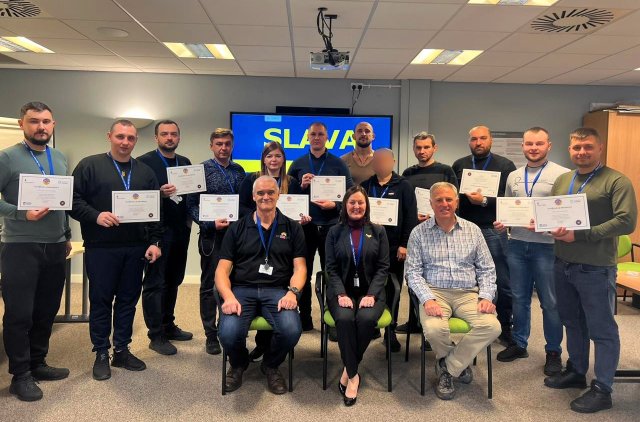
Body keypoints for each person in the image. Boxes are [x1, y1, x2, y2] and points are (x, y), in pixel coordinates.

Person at [543, 128, 637, 414]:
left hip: (595, 268)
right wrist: (543, 224)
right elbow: (553, 215)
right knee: (572, 322)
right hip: (562, 263)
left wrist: (582, 234)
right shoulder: (564, 180)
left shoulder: (616, 181)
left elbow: (626, 221)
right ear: (569, 149)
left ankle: (603, 389)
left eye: (587, 147)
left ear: (599, 148)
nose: (581, 152)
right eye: (576, 147)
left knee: (602, 329)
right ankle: (577, 370)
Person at [70, 119, 162, 381]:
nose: (125, 142)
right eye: (120, 136)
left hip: (136, 248)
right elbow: (72, 200)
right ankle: (101, 351)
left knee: (127, 301)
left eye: (130, 138)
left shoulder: (145, 172)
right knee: (101, 300)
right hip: (101, 247)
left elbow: (156, 210)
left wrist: (155, 242)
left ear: (136, 140)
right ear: (109, 136)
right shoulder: (89, 166)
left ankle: (121, 349)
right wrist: (96, 216)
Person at [0, 102, 71, 401]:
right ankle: (20, 375)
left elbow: (62, 201)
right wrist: (20, 213)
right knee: (20, 313)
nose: (41, 127)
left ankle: (37, 362)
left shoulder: (59, 157)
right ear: (22, 124)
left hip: (55, 246)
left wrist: (66, 234)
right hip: (20, 246)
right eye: (34, 121)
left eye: (46, 121)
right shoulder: (7, 157)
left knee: (46, 310)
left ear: (53, 124)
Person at [406, 182, 501, 401]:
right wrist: (427, 299)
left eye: (449, 199)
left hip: (468, 293)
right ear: (431, 204)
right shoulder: (418, 233)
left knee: (492, 326)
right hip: (435, 293)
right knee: (434, 329)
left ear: (456, 202)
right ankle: (459, 364)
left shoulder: (473, 230)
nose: (444, 204)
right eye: (439, 200)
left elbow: (487, 268)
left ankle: (448, 367)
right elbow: (412, 272)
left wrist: (486, 296)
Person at [216, 176, 306, 394]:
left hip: (277, 290)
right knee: (228, 333)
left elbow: (300, 268)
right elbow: (221, 270)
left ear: (278, 195)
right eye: (261, 193)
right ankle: (239, 364)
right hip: (242, 290)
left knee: (291, 330)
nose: (266, 196)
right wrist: (228, 296)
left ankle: (271, 364)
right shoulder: (237, 228)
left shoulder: (292, 228)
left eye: (271, 192)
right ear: (253, 196)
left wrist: (292, 293)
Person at [494, 127, 569, 376]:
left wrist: (545, 226)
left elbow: (564, 213)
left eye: (539, 143)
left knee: (550, 302)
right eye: (529, 144)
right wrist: (503, 222)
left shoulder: (562, 175)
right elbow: (507, 206)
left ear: (549, 145)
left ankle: (553, 351)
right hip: (516, 244)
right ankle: (519, 343)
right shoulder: (514, 176)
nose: (533, 148)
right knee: (519, 298)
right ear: (523, 146)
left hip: (547, 247)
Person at [325, 185, 390, 406]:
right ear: (345, 205)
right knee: (344, 319)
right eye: (352, 202)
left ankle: (348, 371)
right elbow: (331, 268)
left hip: (371, 292)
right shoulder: (334, 232)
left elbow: (383, 267)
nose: (356, 206)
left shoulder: (378, 231)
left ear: (366, 205)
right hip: (341, 291)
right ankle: (354, 377)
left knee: (366, 318)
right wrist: (341, 293)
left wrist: (371, 294)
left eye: (360, 202)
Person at [452, 125, 516, 344]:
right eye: (474, 139)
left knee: (501, 279)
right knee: (464, 277)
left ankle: (505, 326)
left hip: (492, 230)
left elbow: (509, 200)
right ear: (469, 141)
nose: (478, 142)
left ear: (491, 140)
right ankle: (471, 319)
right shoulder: (459, 165)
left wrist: (485, 201)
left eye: (482, 138)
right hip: (463, 230)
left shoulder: (505, 165)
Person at [288, 122, 354, 331]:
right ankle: (304, 317)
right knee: (303, 273)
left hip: (332, 227)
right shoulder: (297, 164)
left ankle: (332, 317)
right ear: (308, 137)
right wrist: (301, 186)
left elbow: (350, 196)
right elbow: (288, 197)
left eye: (320, 134)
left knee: (331, 274)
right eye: (313, 134)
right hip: (304, 228)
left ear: (327, 138)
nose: (316, 138)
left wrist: (335, 205)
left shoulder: (338, 163)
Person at [187, 128, 245, 355]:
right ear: (211, 145)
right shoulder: (201, 170)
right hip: (212, 237)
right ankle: (210, 334)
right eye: (219, 144)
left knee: (233, 283)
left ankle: (226, 328)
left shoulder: (239, 170)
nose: (223, 148)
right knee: (209, 285)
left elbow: (244, 204)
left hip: (236, 237)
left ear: (232, 146)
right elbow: (191, 205)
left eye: (227, 144)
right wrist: (210, 223)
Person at [138, 120, 193, 356]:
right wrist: (158, 193)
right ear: (156, 138)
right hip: (156, 232)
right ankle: (156, 334)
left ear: (179, 137)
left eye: (173, 134)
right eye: (164, 134)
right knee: (155, 282)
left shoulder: (185, 163)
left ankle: (168, 325)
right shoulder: (143, 163)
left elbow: (191, 195)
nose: (169, 138)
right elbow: (136, 197)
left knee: (174, 279)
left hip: (181, 230)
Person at [399, 131, 458, 335]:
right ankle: (414, 321)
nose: (422, 151)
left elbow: (451, 201)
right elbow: (405, 203)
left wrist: (435, 215)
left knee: (433, 276)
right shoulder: (407, 173)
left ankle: (436, 320)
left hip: (439, 230)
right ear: (414, 149)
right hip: (416, 231)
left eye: (426, 147)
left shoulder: (446, 171)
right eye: (418, 147)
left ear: (434, 148)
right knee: (414, 274)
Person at [361, 148, 417, 352]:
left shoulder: (404, 186)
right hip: (368, 246)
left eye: (385, 160)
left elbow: (410, 216)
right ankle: (372, 324)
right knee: (370, 286)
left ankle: (390, 330)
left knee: (393, 288)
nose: (381, 163)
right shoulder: (366, 186)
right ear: (372, 163)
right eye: (377, 160)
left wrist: (405, 244)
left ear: (393, 162)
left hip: (394, 247)